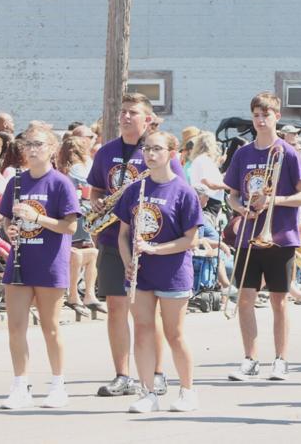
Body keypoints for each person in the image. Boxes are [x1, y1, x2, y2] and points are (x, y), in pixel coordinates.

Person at [87, 93, 183, 398]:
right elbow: (96, 190)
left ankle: (155, 372)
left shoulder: (159, 149)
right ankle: (122, 375)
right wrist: (98, 203)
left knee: (146, 313)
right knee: (115, 307)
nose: (126, 117)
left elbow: (177, 191)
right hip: (112, 238)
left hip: (151, 243)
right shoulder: (106, 151)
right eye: (123, 111)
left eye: (133, 113)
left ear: (148, 119)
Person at [224, 92, 301, 382]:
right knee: (246, 299)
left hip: (281, 236)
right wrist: (241, 208)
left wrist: (276, 200)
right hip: (249, 235)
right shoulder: (243, 153)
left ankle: (281, 359)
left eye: (266, 115)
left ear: (277, 116)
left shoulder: (288, 152)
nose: (261, 121)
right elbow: (233, 196)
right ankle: (250, 358)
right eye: (257, 115)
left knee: (279, 301)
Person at [115, 130, 202, 413]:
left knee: (174, 333)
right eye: (146, 149)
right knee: (142, 330)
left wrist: (155, 249)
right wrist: (129, 259)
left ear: (171, 154)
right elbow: (123, 234)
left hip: (173, 271)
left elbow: (191, 240)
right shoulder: (134, 190)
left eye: (157, 149)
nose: (150, 155)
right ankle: (147, 391)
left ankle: (187, 391)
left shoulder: (183, 191)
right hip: (141, 274)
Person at [0, 125, 80, 410]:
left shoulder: (60, 183)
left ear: (52, 148)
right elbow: (6, 219)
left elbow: (70, 226)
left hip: (49, 262)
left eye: (39, 144)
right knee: (15, 327)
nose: (33, 149)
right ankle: (20, 385)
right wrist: (9, 230)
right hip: (20, 262)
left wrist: (37, 218)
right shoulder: (16, 182)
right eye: (29, 144)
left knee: (50, 327)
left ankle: (58, 385)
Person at [57, 137, 104, 315]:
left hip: (76, 216)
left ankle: (89, 295)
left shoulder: (63, 169)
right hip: (74, 216)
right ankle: (73, 295)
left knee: (92, 253)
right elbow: (87, 188)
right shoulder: (77, 168)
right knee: (76, 254)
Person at [188, 133, 226, 216]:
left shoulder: (202, 160)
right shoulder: (203, 160)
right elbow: (207, 182)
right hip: (208, 201)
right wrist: (228, 186)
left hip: (210, 201)